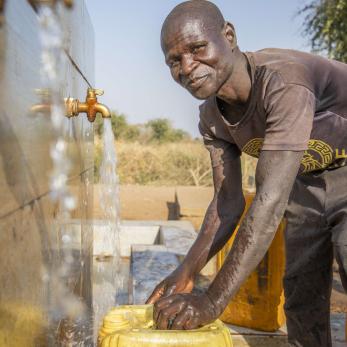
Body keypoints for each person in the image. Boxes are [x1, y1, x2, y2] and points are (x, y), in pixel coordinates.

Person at [146, 1, 347, 346]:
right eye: (174, 61)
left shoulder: (282, 82)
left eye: (197, 49)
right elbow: (227, 204)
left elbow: (267, 204)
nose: (188, 67)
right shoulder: (212, 117)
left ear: (229, 35)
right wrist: (186, 272)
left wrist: (211, 302)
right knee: (301, 297)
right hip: (305, 180)